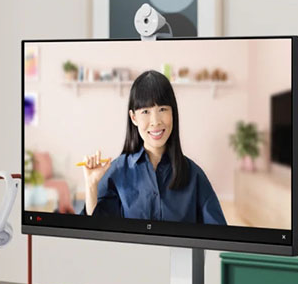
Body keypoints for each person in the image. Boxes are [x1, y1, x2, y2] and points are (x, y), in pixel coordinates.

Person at [82, 70, 226, 225]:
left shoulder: (194, 175)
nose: (155, 121)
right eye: (145, 111)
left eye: (162, 109)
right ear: (133, 118)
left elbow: (219, 234)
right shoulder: (116, 172)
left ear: (173, 113)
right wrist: (91, 186)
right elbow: (98, 231)